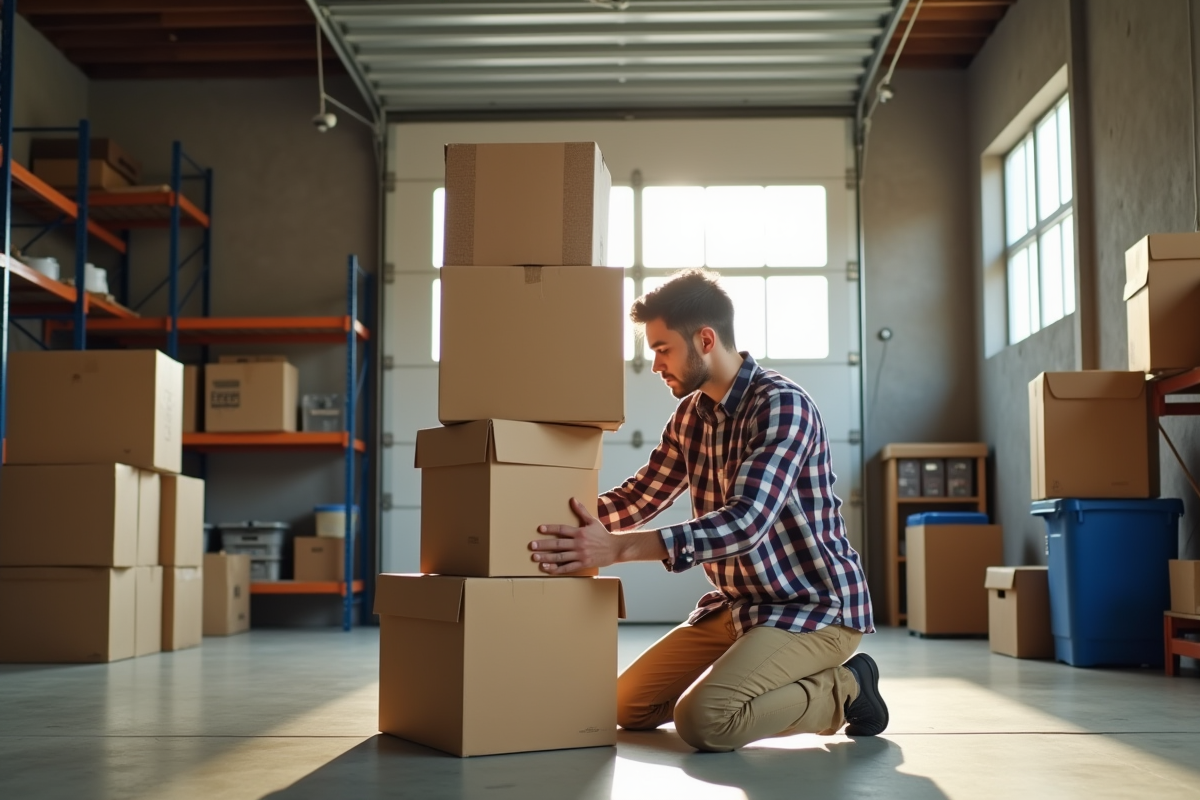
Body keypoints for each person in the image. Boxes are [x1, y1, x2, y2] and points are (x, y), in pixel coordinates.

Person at [530, 269, 887, 753]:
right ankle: (777, 672)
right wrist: (547, 516)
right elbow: (642, 494)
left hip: (815, 608)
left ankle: (847, 689)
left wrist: (616, 549)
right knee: (624, 707)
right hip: (740, 607)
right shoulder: (690, 415)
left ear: (704, 338)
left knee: (706, 721)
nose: (655, 365)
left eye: (662, 348)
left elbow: (747, 523)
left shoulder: (782, 405)